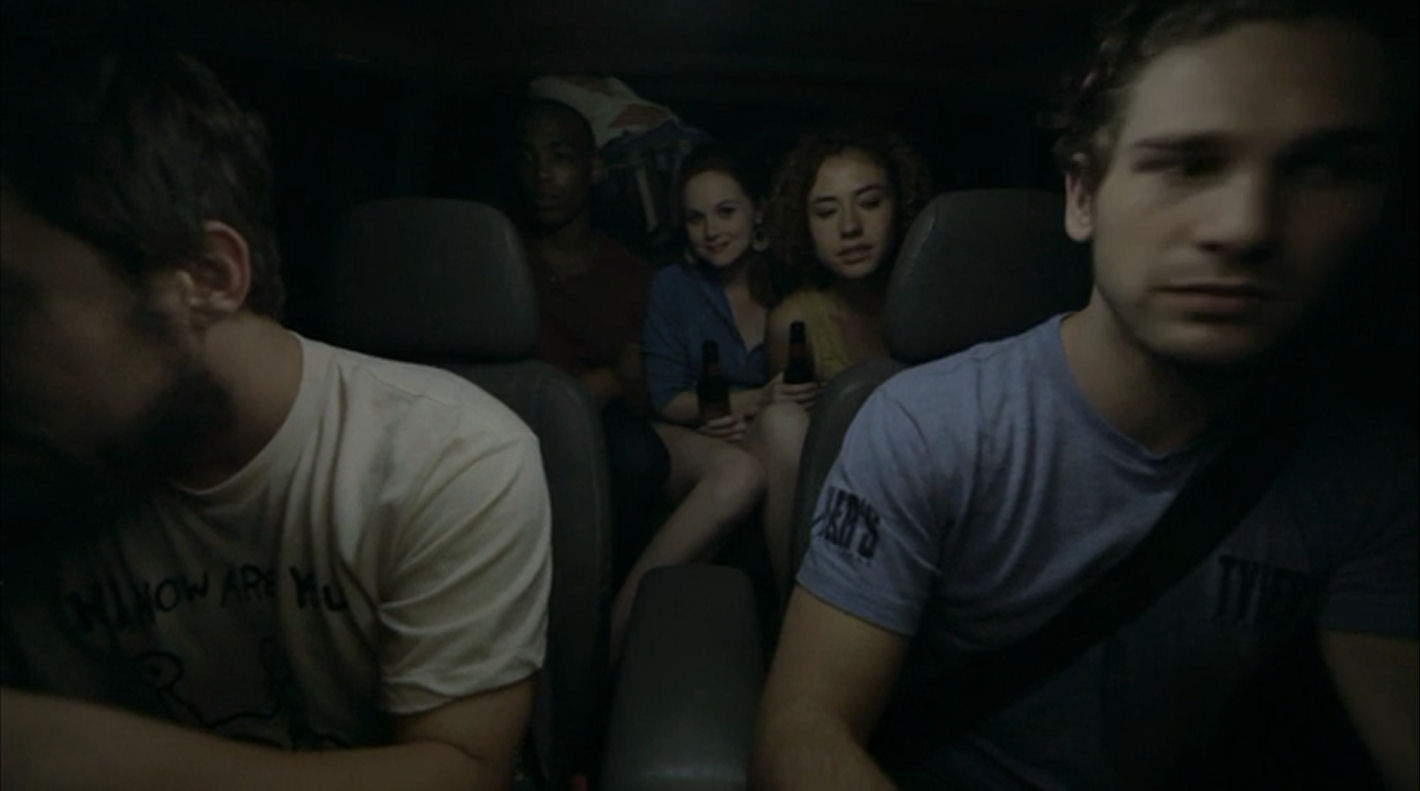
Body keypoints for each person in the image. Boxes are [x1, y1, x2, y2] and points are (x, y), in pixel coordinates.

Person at [753, 2, 1417, 789]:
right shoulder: (926, 427)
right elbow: (802, 727)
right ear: (1082, 197)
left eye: (1323, 169)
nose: (1246, 226)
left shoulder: (1369, 478)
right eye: (1185, 164)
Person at [0, 17, 550, 789]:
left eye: (15, 308)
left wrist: (69, 752)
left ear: (208, 277)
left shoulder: (450, 455)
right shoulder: (40, 480)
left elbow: (461, 772)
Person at [615, 145, 777, 659]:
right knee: (739, 473)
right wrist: (748, 400)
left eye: (726, 212)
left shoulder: (786, 281)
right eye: (695, 218)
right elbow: (668, 398)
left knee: (772, 447)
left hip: (757, 432)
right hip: (682, 434)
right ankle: (615, 634)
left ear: (757, 213)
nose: (711, 231)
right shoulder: (673, 286)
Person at [755, 127, 931, 597]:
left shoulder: (939, 307)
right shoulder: (794, 322)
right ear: (804, 226)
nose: (850, 227)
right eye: (826, 211)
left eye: (869, 203)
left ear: (901, 208)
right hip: (838, 532)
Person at [515, 97, 670, 583]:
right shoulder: (501, 263)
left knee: (637, 457)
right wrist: (603, 379)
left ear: (594, 169)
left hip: (597, 437)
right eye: (528, 159)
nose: (542, 175)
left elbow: (638, 387)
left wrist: (613, 382)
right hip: (511, 430)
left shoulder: (632, 274)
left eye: (560, 157)